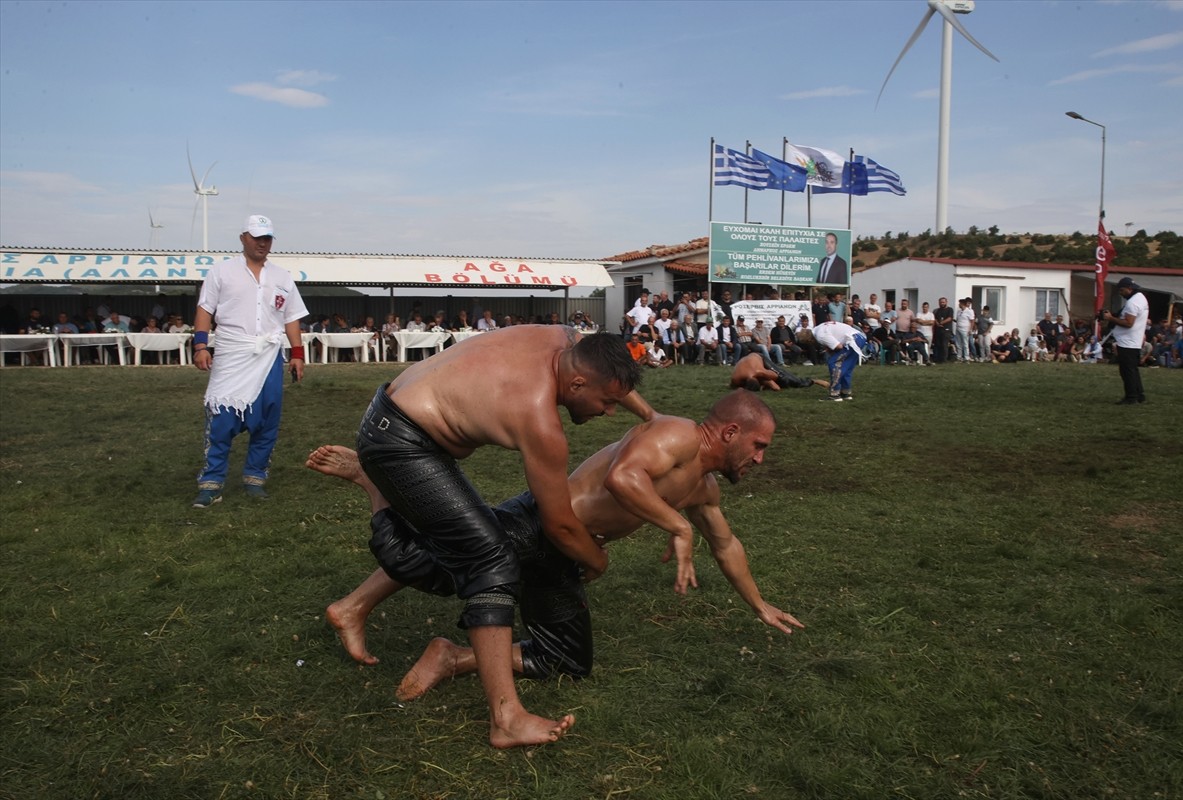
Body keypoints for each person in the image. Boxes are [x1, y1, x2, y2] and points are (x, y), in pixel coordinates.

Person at [312, 392, 801, 723]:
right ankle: (376, 485)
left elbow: (725, 544)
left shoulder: (704, 486)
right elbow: (624, 477)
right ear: (732, 431)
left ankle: (451, 656)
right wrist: (675, 528)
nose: (760, 459)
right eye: (759, 446)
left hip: (563, 555)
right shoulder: (676, 435)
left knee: (567, 659)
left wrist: (760, 605)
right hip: (542, 525)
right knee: (434, 568)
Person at [347, 325, 650, 747]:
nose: (612, 412)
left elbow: (607, 369)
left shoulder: (562, 337)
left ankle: (350, 608)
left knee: (473, 540)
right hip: (400, 445)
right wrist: (597, 561)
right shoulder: (538, 417)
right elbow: (559, 523)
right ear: (577, 383)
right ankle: (505, 717)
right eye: (607, 402)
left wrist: (651, 419)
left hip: (394, 415)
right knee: (491, 560)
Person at [191, 215, 308, 507]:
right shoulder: (221, 272)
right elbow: (205, 310)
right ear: (243, 237)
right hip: (232, 353)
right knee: (222, 418)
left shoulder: (282, 277)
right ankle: (211, 483)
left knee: (267, 416)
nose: (262, 243)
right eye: (257, 237)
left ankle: (255, 477)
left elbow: (291, 317)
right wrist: (201, 345)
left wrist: (297, 354)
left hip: (269, 356)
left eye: (267, 238)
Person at [1103, 277, 1150, 404]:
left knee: (1126, 370)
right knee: (1133, 369)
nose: (1120, 292)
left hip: (1127, 341)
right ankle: (1139, 395)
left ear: (1130, 289)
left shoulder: (1132, 303)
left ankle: (1131, 397)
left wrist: (1110, 318)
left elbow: (1129, 323)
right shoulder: (1140, 297)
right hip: (1134, 340)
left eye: (1122, 290)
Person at [814, 319, 867, 402]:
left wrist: (830, 349)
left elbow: (839, 347)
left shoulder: (820, 335)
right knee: (846, 367)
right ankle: (846, 393)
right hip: (860, 337)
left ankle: (835, 394)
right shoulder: (820, 327)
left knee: (834, 363)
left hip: (852, 340)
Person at [729, 352, 828, 392]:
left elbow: (775, 377)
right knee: (774, 383)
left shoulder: (758, 371)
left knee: (784, 378)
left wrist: (767, 381)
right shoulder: (736, 379)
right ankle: (765, 384)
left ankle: (813, 381)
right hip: (750, 361)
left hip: (760, 358)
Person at [953, 298, 975, 363]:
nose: (959, 304)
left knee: (965, 344)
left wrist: (970, 329)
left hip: (965, 329)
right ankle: (959, 357)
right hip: (958, 328)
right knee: (958, 344)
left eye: (959, 303)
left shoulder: (969, 311)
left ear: (962, 304)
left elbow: (972, 321)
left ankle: (966, 358)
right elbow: (957, 320)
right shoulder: (959, 311)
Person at [932, 297, 953, 363]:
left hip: (946, 330)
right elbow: (934, 318)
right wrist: (937, 323)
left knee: (944, 345)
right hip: (938, 330)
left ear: (946, 302)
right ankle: (938, 359)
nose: (942, 303)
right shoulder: (937, 310)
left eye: (943, 302)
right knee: (938, 345)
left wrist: (942, 322)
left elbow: (950, 318)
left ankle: (944, 359)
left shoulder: (950, 309)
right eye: (941, 302)